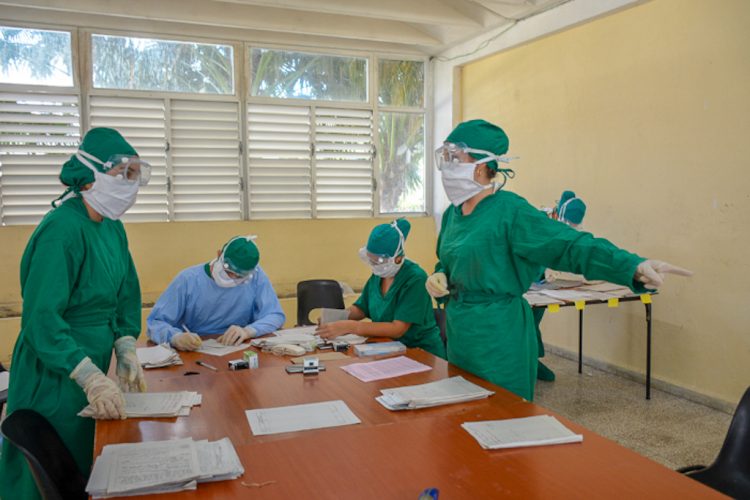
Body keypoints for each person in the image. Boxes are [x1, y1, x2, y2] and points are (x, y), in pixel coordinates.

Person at [426, 119, 691, 401]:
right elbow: (450, 260)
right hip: (459, 333)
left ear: (480, 166)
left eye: (455, 157)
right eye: (446, 157)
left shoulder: (511, 212)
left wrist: (630, 266)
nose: (448, 165)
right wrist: (439, 275)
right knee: (459, 417)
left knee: (501, 418)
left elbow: (570, 246)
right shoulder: (453, 215)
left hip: (498, 336)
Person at [0, 127, 149, 499]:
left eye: (135, 174)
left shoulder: (113, 228)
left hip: (92, 358)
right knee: (49, 470)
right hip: (53, 371)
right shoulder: (61, 231)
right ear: (88, 178)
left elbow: (125, 293)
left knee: (88, 458)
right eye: (121, 174)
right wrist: (88, 375)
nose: (130, 184)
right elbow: (42, 320)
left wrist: (126, 344)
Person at [316, 219, 446, 359]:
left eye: (378, 260)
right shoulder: (380, 274)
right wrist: (335, 317)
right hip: (389, 348)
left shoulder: (415, 278)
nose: (374, 265)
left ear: (398, 257)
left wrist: (350, 327)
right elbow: (361, 308)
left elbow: (397, 329)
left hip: (421, 353)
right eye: (371, 259)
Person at [147, 236, 285, 350]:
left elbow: (275, 315)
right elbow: (156, 322)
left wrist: (248, 331)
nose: (232, 279)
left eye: (239, 277)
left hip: (239, 347)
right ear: (219, 254)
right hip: (196, 348)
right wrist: (175, 337)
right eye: (229, 272)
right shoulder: (188, 280)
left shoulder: (256, 276)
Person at [534, 190, 588, 382]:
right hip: (525, 279)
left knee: (536, 317)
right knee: (527, 320)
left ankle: (533, 359)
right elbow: (532, 250)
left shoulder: (563, 224)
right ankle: (529, 362)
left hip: (542, 286)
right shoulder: (540, 220)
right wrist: (541, 270)